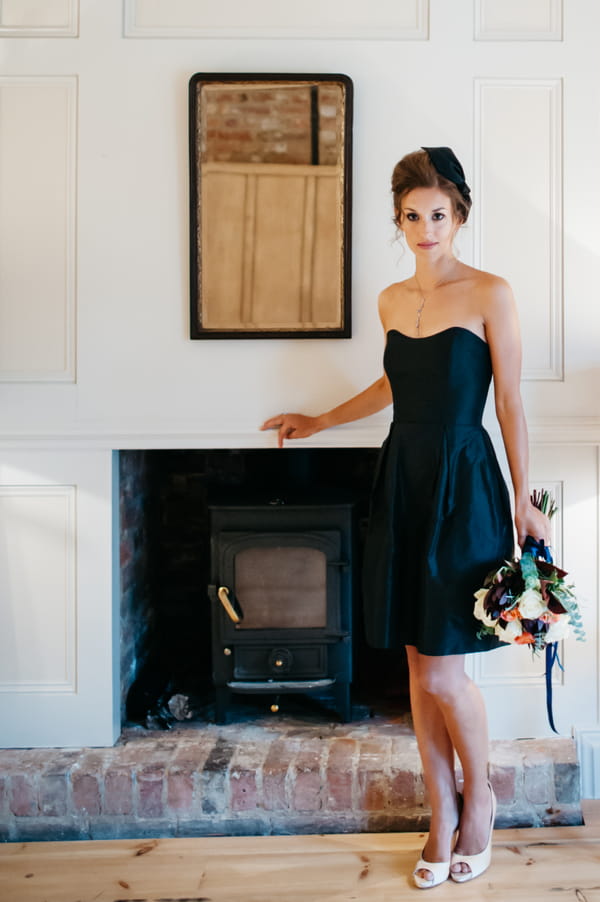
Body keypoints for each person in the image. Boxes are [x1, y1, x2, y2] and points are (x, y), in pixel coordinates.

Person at [260, 146, 551, 888]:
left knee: (447, 670)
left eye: (440, 215)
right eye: (414, 217)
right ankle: (441, 814)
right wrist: (320, 420)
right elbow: (390, 386)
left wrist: (524, 496)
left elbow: (511, 400)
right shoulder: (392, 301)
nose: (427, 228)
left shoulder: (491, 292)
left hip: (464, 479)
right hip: (404, 478)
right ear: (399, 221)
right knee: (420, 671)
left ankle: (481, 800)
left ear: (459, 216)